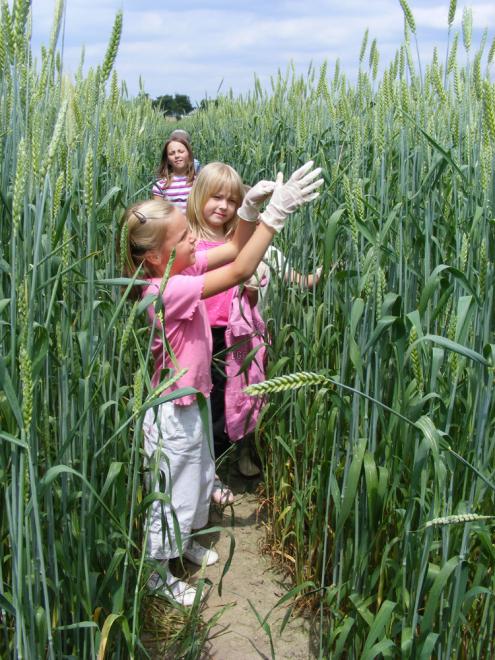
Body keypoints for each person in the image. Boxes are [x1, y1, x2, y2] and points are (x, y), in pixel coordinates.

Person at [121, 162, 323, 606]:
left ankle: (187, 541)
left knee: (196, 476)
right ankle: (157, 571)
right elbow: (238, 269)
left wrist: (249, 211)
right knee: (170, 488)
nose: (194, 237)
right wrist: (276, 216)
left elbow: (233, 246)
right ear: (156, 257)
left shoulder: (180, 269)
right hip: (169, 412)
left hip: (192, 400)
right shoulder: (161, 291)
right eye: (184, 236)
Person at [187, 163, 268, 482]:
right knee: (202, 397)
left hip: (232, 333)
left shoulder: (239, 237)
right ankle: (207, 464)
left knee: (238, 392)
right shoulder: (187, 240)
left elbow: (248, 287)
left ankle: (240, 449)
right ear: (199, 196)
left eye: (232, 200)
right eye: (216, 197)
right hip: (196, 335)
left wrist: (251, 290)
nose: (224, 206)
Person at [152, 136, 196, 212]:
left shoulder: (198, 182)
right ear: (167, 160)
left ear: (189, 155)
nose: (177, 156)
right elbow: (158, 213)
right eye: (171, 153)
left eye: (181, 151)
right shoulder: (160, 185)